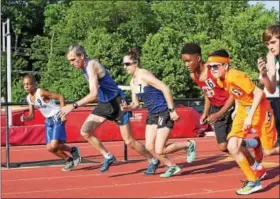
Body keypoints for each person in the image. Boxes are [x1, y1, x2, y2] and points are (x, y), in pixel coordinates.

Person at [60, 44, 159, 174]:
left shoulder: (91, 65)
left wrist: (73, 105)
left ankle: (152, 160)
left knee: (129, 141)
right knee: (85, 132)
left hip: (117, 102)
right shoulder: (84, 67)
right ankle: (108, 156)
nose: (71, 63)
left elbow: (93, 93)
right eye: (69, 61)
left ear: (82, 56)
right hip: (105, 103)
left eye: (73, 60)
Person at [181, 44, 265, 181]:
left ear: (198, 58)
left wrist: (220, 113)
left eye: (188, 61)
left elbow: (232, 94)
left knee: (234, 143)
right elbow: (207, 93)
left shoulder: (213, 70)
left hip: (230, 107)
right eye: (184, 61)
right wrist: (205, 112)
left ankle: (256, 168)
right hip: (216, 109)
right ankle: (255, 144)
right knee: (223, 146)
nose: (186, 64)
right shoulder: (194, 75)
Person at [207, 49, 279, 195]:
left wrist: (249, 117)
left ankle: (258, 145)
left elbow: (259, 93)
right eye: (210, 67)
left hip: (260, 110)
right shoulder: (220, 80)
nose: (212, 69)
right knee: (232, 146)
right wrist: (237, 110)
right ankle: (254, 181)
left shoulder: (235, 76)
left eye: (215, 66)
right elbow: (238, 95)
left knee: (269, 150)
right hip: (243, 110)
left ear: (225, 66)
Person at [121, 48, 196, 178]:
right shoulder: (132, 82)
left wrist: (172, 110)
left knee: (159, 149)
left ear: (136, 63)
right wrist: (128, 107)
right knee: (150, 147)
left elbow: (165, 88)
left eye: (127, 64)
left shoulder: (143, 74)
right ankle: (172, 166)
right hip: (152, 114)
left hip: (163, 111)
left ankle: (189, 145)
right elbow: (136, 104)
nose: (125, 67)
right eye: (123, 64)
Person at [21, 74, 81, 172]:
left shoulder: (41, 93)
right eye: (24, 84)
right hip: (48, 120)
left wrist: (63, 114)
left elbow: (60, 97)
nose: (26, 86)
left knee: (54, 145)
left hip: (57, 116)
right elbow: (32, 115)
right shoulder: (28, 98)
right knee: (50, 148)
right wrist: (26, 118)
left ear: (34, 84)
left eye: (28, 84)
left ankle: (72, 152)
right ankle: (69, 158)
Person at [258, 24, 280, 145]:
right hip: (273, 99)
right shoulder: (270, 57)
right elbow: (271, 88)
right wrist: (264, 75)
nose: (270, 47)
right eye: (267, 44)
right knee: (271, 143)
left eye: (272, 42)